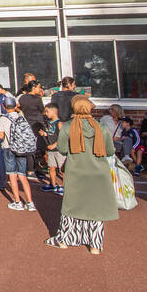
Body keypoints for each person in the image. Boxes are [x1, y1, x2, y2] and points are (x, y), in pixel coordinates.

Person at [45, 96, 116, 254]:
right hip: (98, 172)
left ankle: (64, 239)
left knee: (71, 207)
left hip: (76, 171)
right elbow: (110, 150)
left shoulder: (68, 126)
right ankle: (95, 244)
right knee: (96, 208)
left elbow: (62, 149)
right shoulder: (100, 126)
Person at [0, 102, 37, 212]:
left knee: (12, 176)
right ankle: (30, 202)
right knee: (22, 175)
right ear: (15, 106)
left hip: (8, 148)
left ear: (4, 106)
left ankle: (17, 202)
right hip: (21, 148)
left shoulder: (3, 118)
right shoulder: (21, 116)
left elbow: (1, 135)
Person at [17, 80, 48, 175]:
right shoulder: (37, 99)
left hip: (27, 124)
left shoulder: (22, 97)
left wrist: (22, 112)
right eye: (39, 87)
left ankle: (29, 168)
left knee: (29, 146)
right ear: (34, 88)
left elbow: (18, 107)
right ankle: (37, 167)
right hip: (37, 124)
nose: (40, 89)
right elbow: (43, 111)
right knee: (39, 146)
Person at [39, 103, 65, 193]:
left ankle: (64, 186)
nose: (46, 114)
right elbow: (51, 134)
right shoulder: (50, 123)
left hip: (58, 150)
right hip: (50, 149)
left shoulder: (59, 123)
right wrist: (44, 134)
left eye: (47, 111)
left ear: (54, 111)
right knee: (51, 167)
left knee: (62, 169)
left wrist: (55, 144)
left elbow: (63, 137)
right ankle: (53, 185)